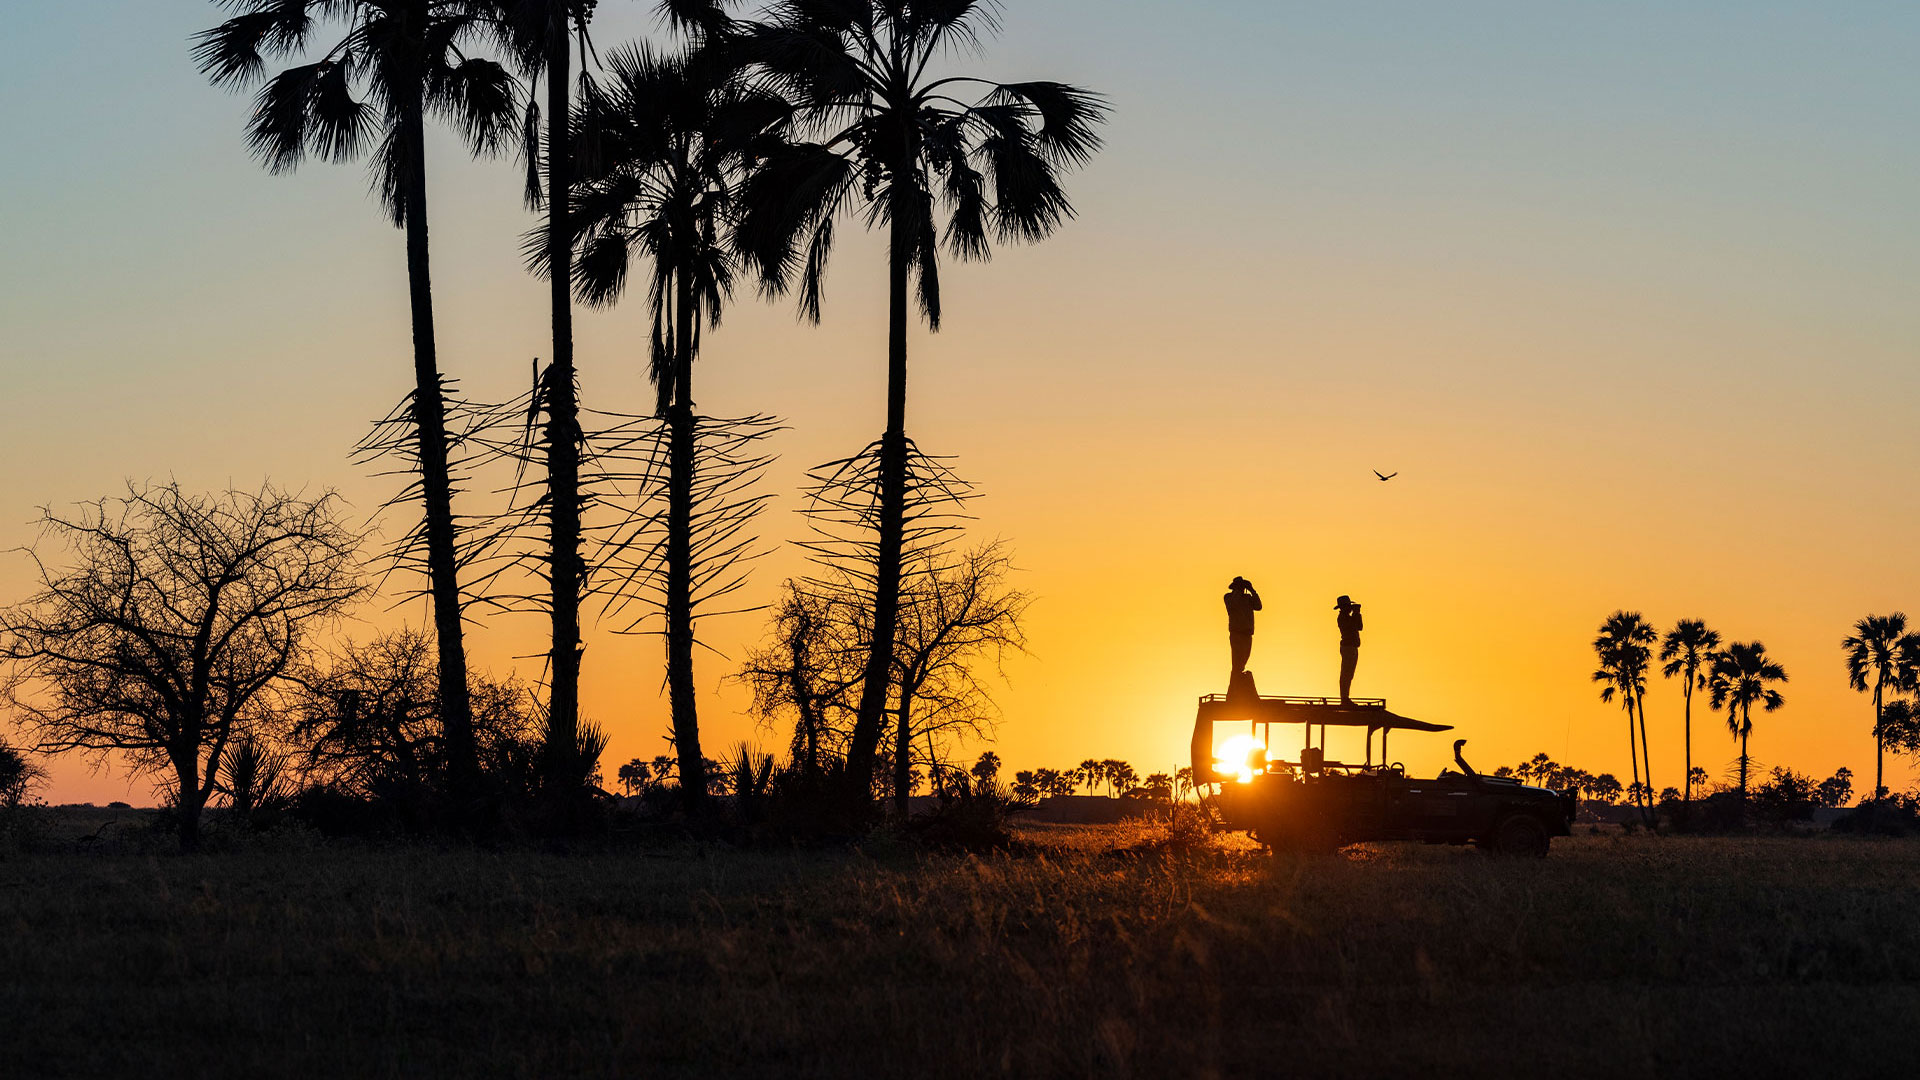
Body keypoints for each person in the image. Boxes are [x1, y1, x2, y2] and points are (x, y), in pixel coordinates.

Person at [1224, 577, 1262, 676]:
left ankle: (1238, 677)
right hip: (1236, 633)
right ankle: (1236, 680)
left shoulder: (1248, 598)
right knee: (1237, 660)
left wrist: (1252, 591)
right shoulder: (1228, 597)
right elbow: (1232, 605)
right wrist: (1238, 590)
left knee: (1244, 658)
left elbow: (1258, 606)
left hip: (1247, 633)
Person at [1336, 595, 1363, 704]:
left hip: (1352, 647)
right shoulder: (1342, 618)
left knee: (1349, 674)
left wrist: (1357, 614)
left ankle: (1345, 698)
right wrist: (1356, 614)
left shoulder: (1349, 617)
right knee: (1346, 673)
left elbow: (1360, 627)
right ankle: (1344, 698)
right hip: (1348, 648)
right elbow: (1353, 626)